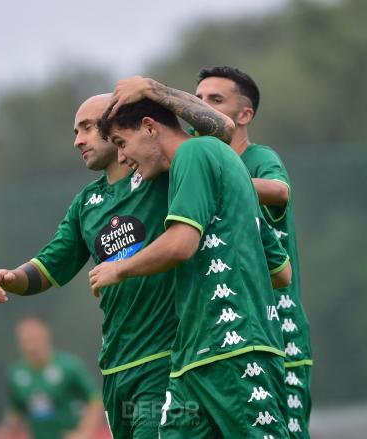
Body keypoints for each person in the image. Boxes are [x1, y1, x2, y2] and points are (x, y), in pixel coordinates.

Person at [0, 92, 234, 438]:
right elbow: (50, 265)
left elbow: (219, 131)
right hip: (117, 367)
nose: (78, 140)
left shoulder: (166, 171)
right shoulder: (87, 203)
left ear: (116, 124)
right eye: (75, 131)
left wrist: (150, 89)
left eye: (88, 127)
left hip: (167, 360)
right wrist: (12, 278)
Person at [92, 97, 292, 438]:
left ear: (150, 128)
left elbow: (182, 243)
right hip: (193, 360)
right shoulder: (221, 171)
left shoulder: (194, 153)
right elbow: (279, 271)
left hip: (234, 349)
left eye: (122, 143)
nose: (122, 157)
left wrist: (120, 269)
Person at [196, 65, 313, 438]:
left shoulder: (260, 159)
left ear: (244, 114)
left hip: (278, 329)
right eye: (197, 100)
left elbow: (280, 192)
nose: (203, 107)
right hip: (223, 338)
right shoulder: (195, 164)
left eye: (215, 100)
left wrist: (222, 176)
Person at [0, 316, 102, 439]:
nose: (30, 346)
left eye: (34, 339)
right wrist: (6, 432)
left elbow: (95, 399)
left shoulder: (68, 366)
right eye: (25, 340)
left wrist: (84, 432)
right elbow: (16, 410)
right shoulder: (16, 374)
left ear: (46, 336)